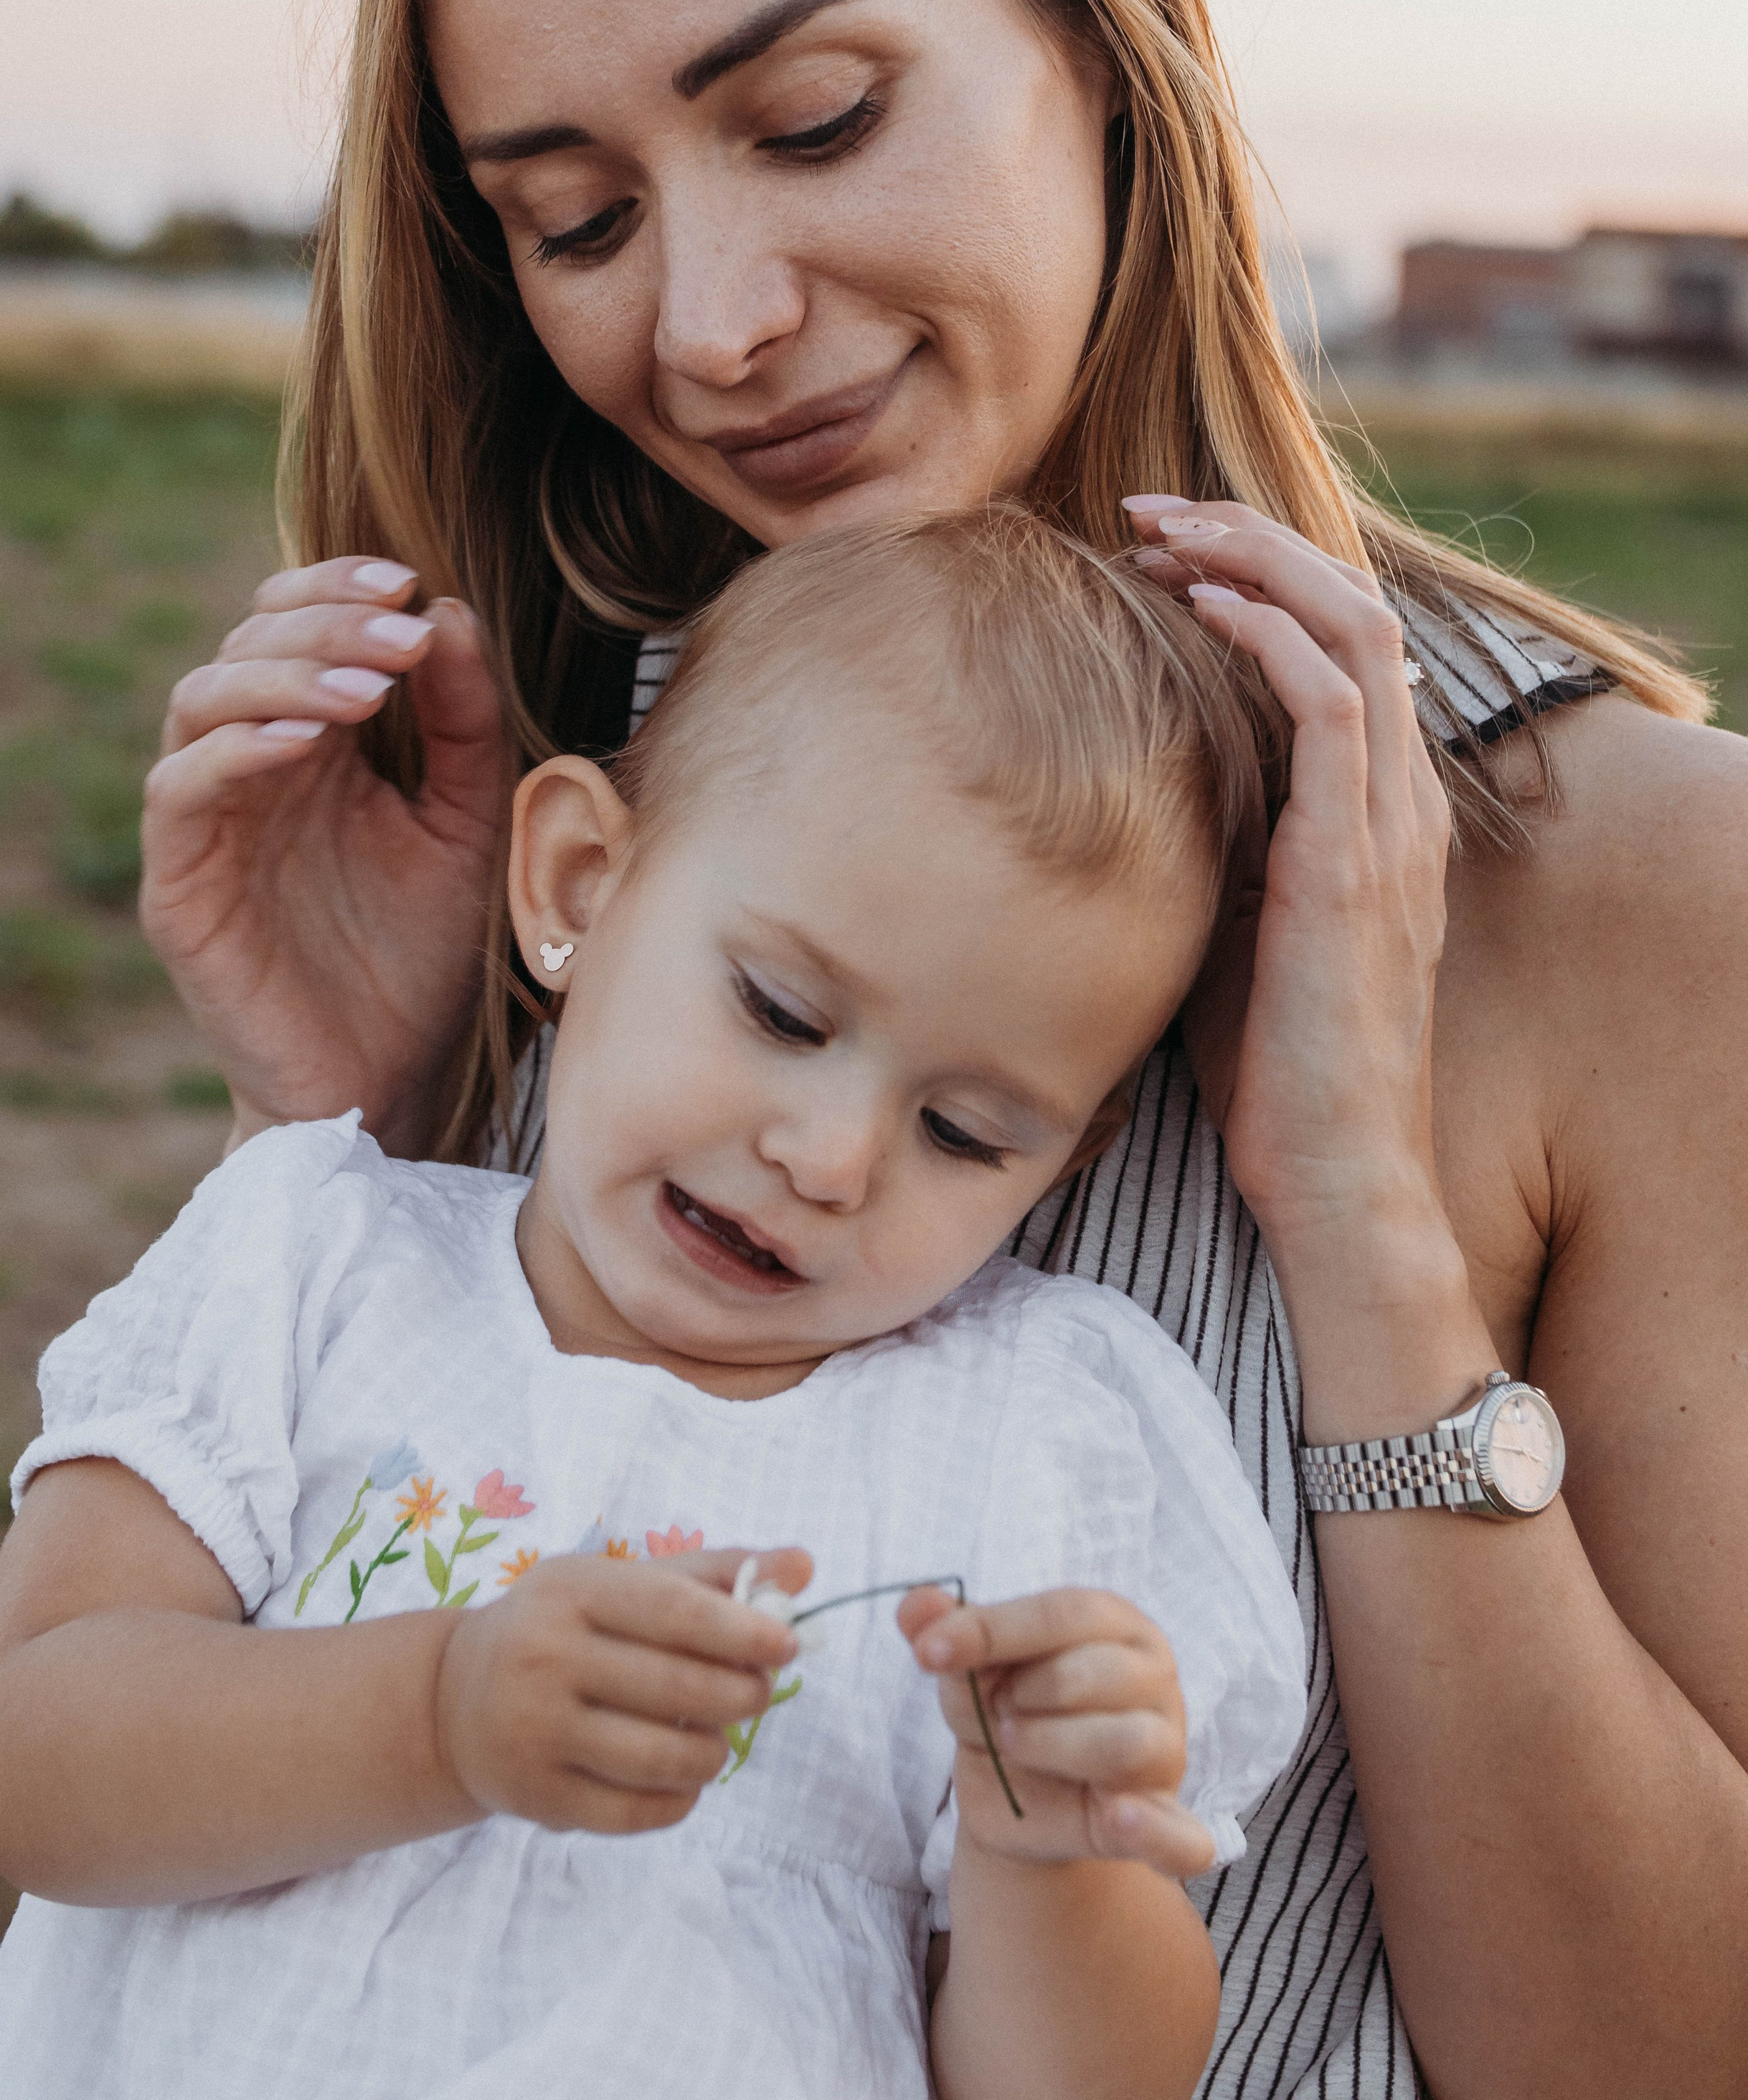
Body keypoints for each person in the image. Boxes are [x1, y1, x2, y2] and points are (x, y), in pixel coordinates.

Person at [133, 0, 1748, 2097]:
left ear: (1108, 39)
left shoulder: (1656, 886)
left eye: (817, 117)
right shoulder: (582, 807)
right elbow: (245, 1873)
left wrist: (1365, 1232)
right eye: (579, 219)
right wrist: (369, 1135)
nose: (709, 320)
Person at [0, 512, 1308, 2100]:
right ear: (579, 881)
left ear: (1065, 1160)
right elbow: (34, 1753)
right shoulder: (316, 1262)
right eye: (781, 1012)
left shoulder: (1023, 1446)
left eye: (965, 1134)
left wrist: (1052, 1857)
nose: (829, 1160)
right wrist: (437, 1716)